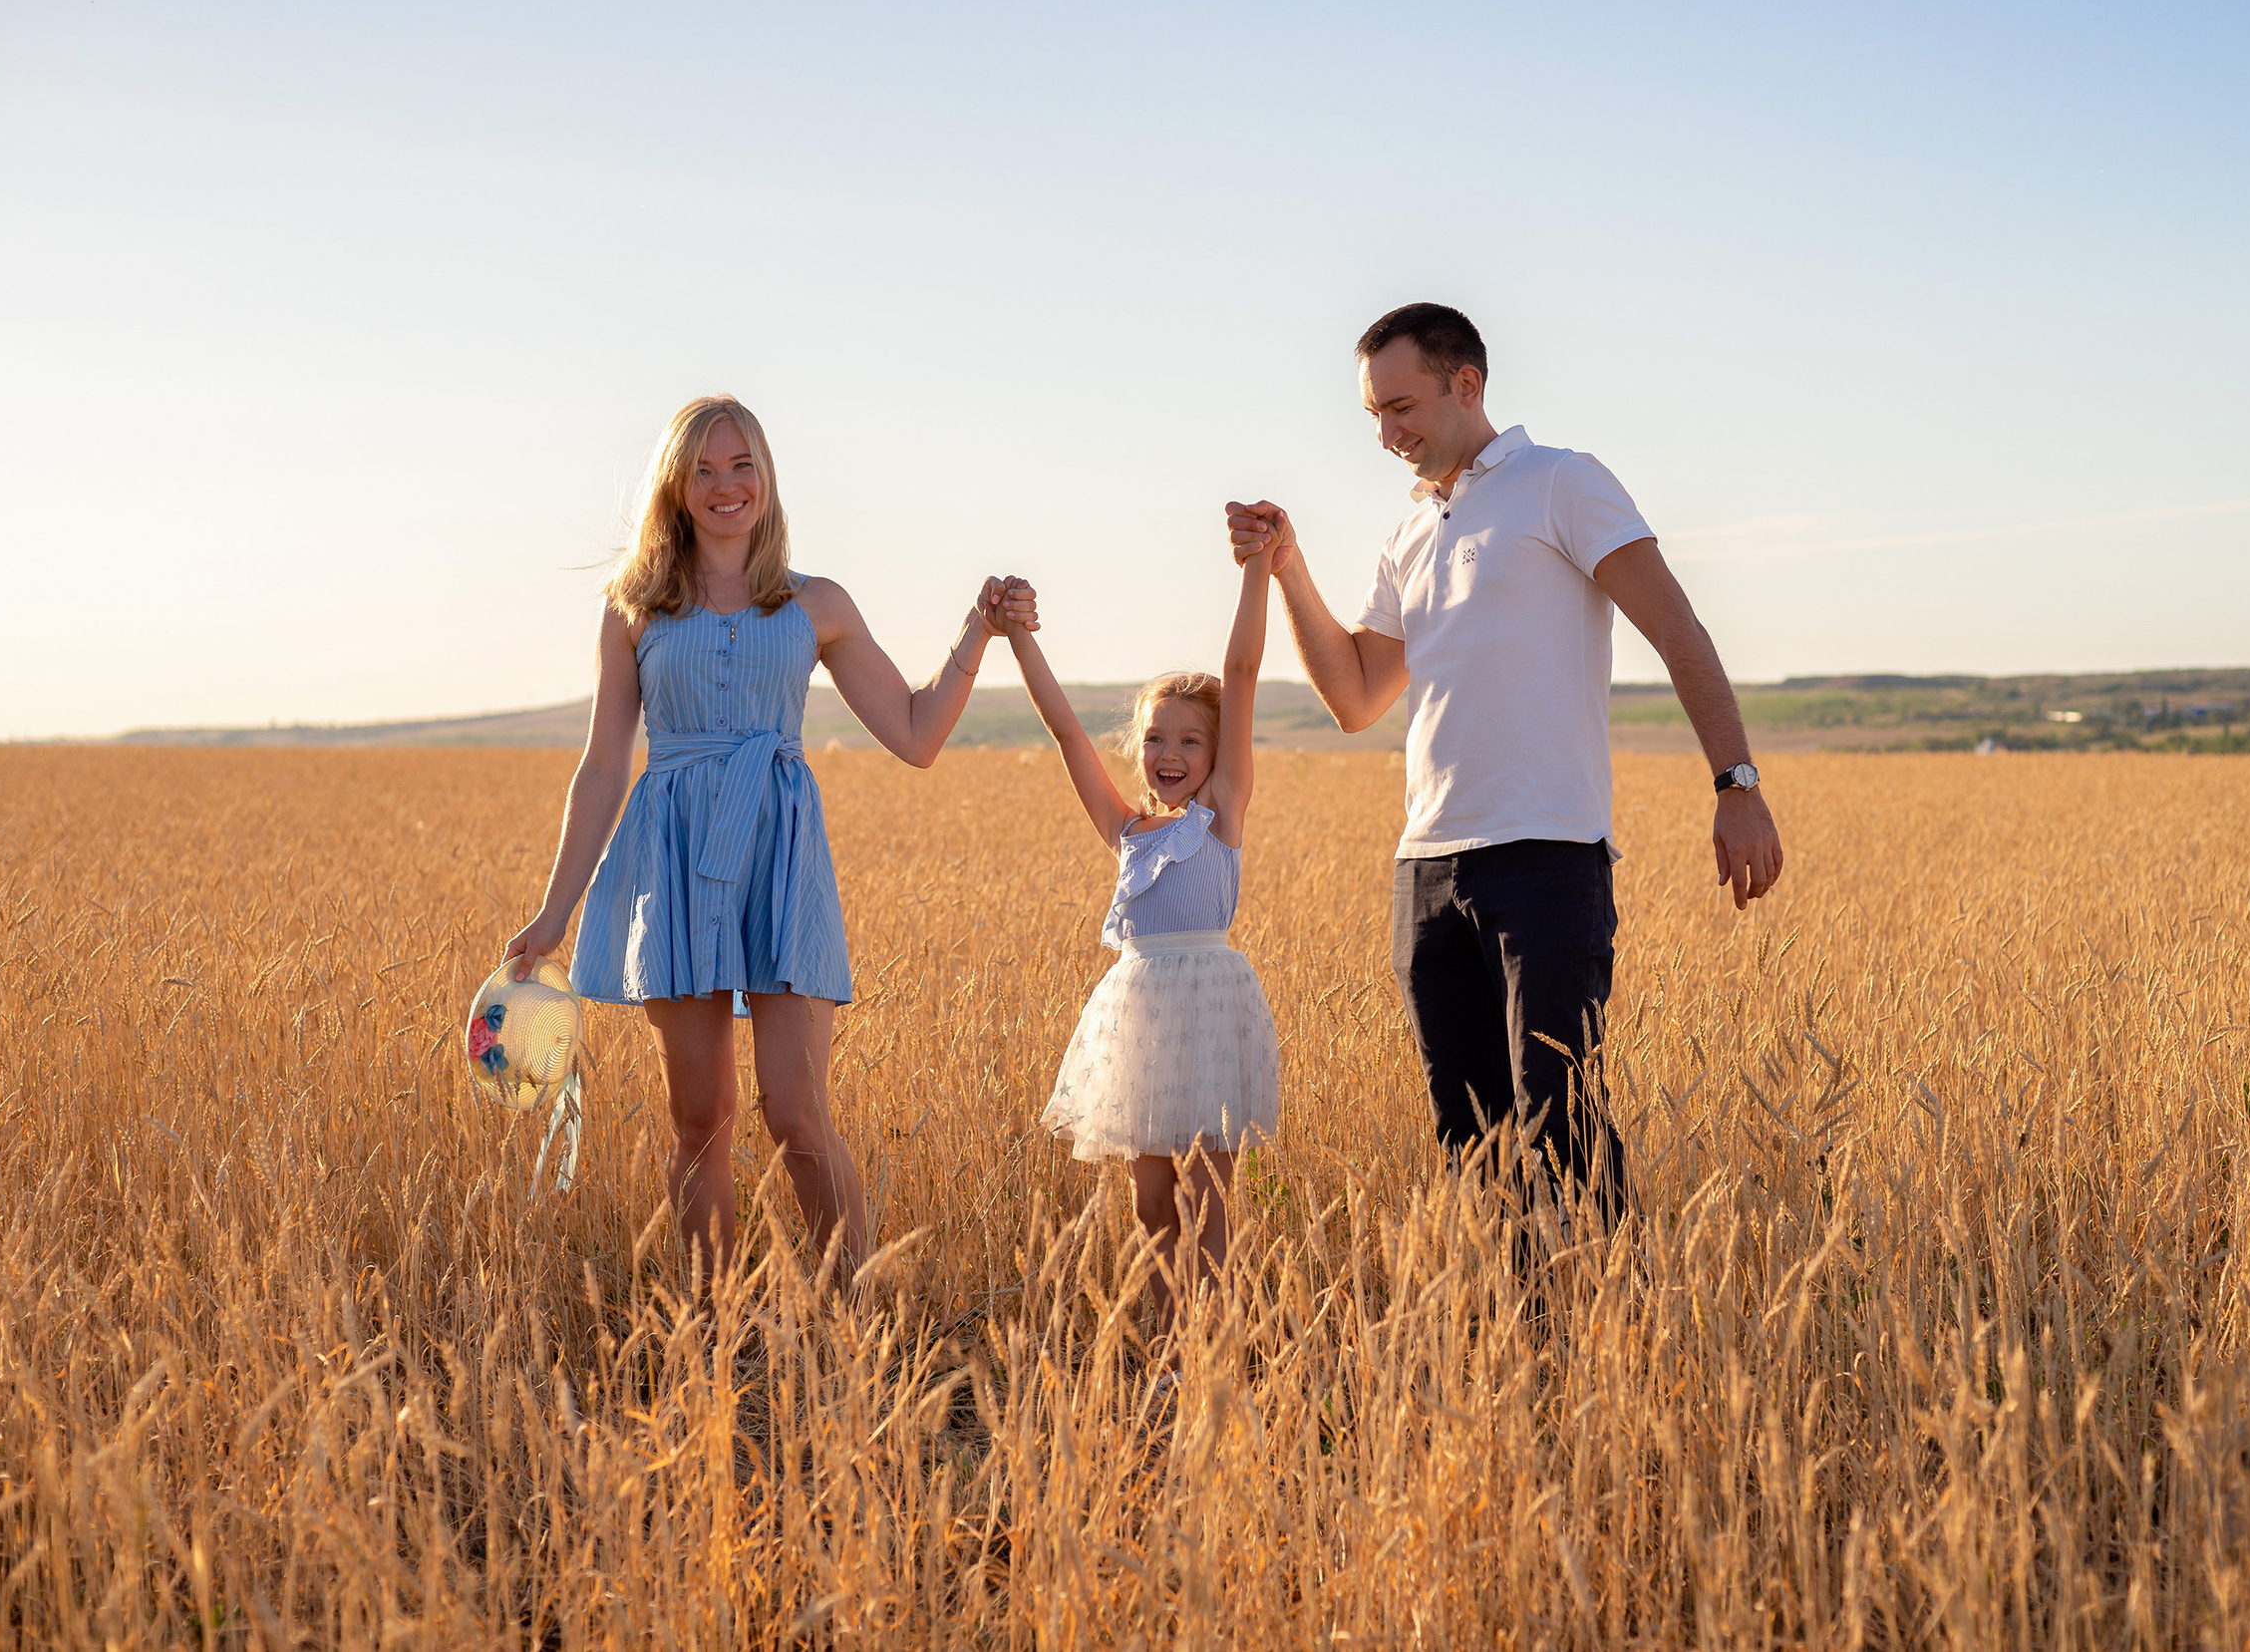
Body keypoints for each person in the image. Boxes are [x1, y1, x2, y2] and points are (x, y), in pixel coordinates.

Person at [1225, 303, 1783, 1229]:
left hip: (1548, 854)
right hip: (1427, 867)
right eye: (1372, 413)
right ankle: (1520, 1351)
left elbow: (1678, 630)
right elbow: (1357, 695)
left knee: (1561, 1120)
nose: (1385, 433)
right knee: (1470, 1140)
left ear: (1467, 384)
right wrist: (1288, 566)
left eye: (1400, 407)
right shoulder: (1410, 531)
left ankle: (1614, 1335)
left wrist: (1738, 784)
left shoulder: (1563, 482)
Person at [502, 393, 1036, 1279]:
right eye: (704, 470)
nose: (725, 486)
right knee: (699, 1117)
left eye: (741, 465)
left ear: (767, 477)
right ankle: (707, 1338)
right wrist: (555, 910)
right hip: (672, 864)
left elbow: (915, 732)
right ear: (675, 488)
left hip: (781, 862)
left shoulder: (812, 603)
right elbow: (603, 767)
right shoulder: (635, 608)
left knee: (796, 1109)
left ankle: (854, 1321)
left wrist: (978, 628)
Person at [1002, 545, 1281, 1328]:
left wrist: (1257, 569)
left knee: (1209, 1190)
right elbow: (1063, 729)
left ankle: (1213, 1340)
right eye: (1157, 738)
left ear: (1217, 755)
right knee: (1151, 1193)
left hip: (1210, 1006)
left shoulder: (1222, 814)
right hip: (1140, 1014)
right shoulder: (1129, 833)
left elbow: (1245, 670)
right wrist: (1018, 634)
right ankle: (1169, 1337)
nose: (1169, 755)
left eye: (1191, 741)